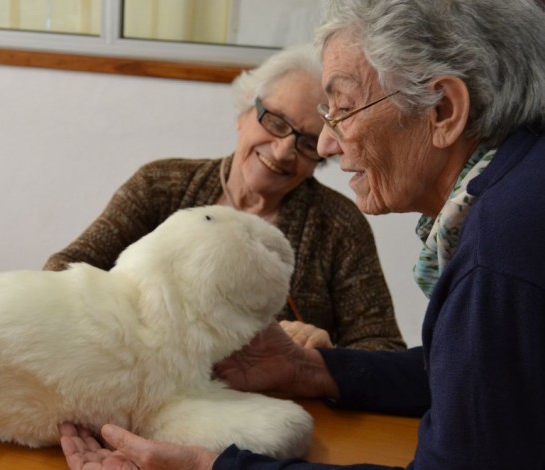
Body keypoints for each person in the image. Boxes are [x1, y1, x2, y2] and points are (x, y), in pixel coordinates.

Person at [58, 0, 545, 468]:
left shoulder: (500, 246)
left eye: (341, 110)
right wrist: (309, 369)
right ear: (245, 112)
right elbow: (462, 375)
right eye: (278, 122)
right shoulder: (515, 199)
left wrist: (211, 469)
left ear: (443, 110)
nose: (328, 144)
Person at [45, 44, 405, 352]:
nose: (282, 151)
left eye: (308, 143)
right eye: (276, 122)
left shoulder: (338, 225)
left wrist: (325, 354)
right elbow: (65, 271)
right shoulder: (160, 186)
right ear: (244, 112)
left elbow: (383, 348)